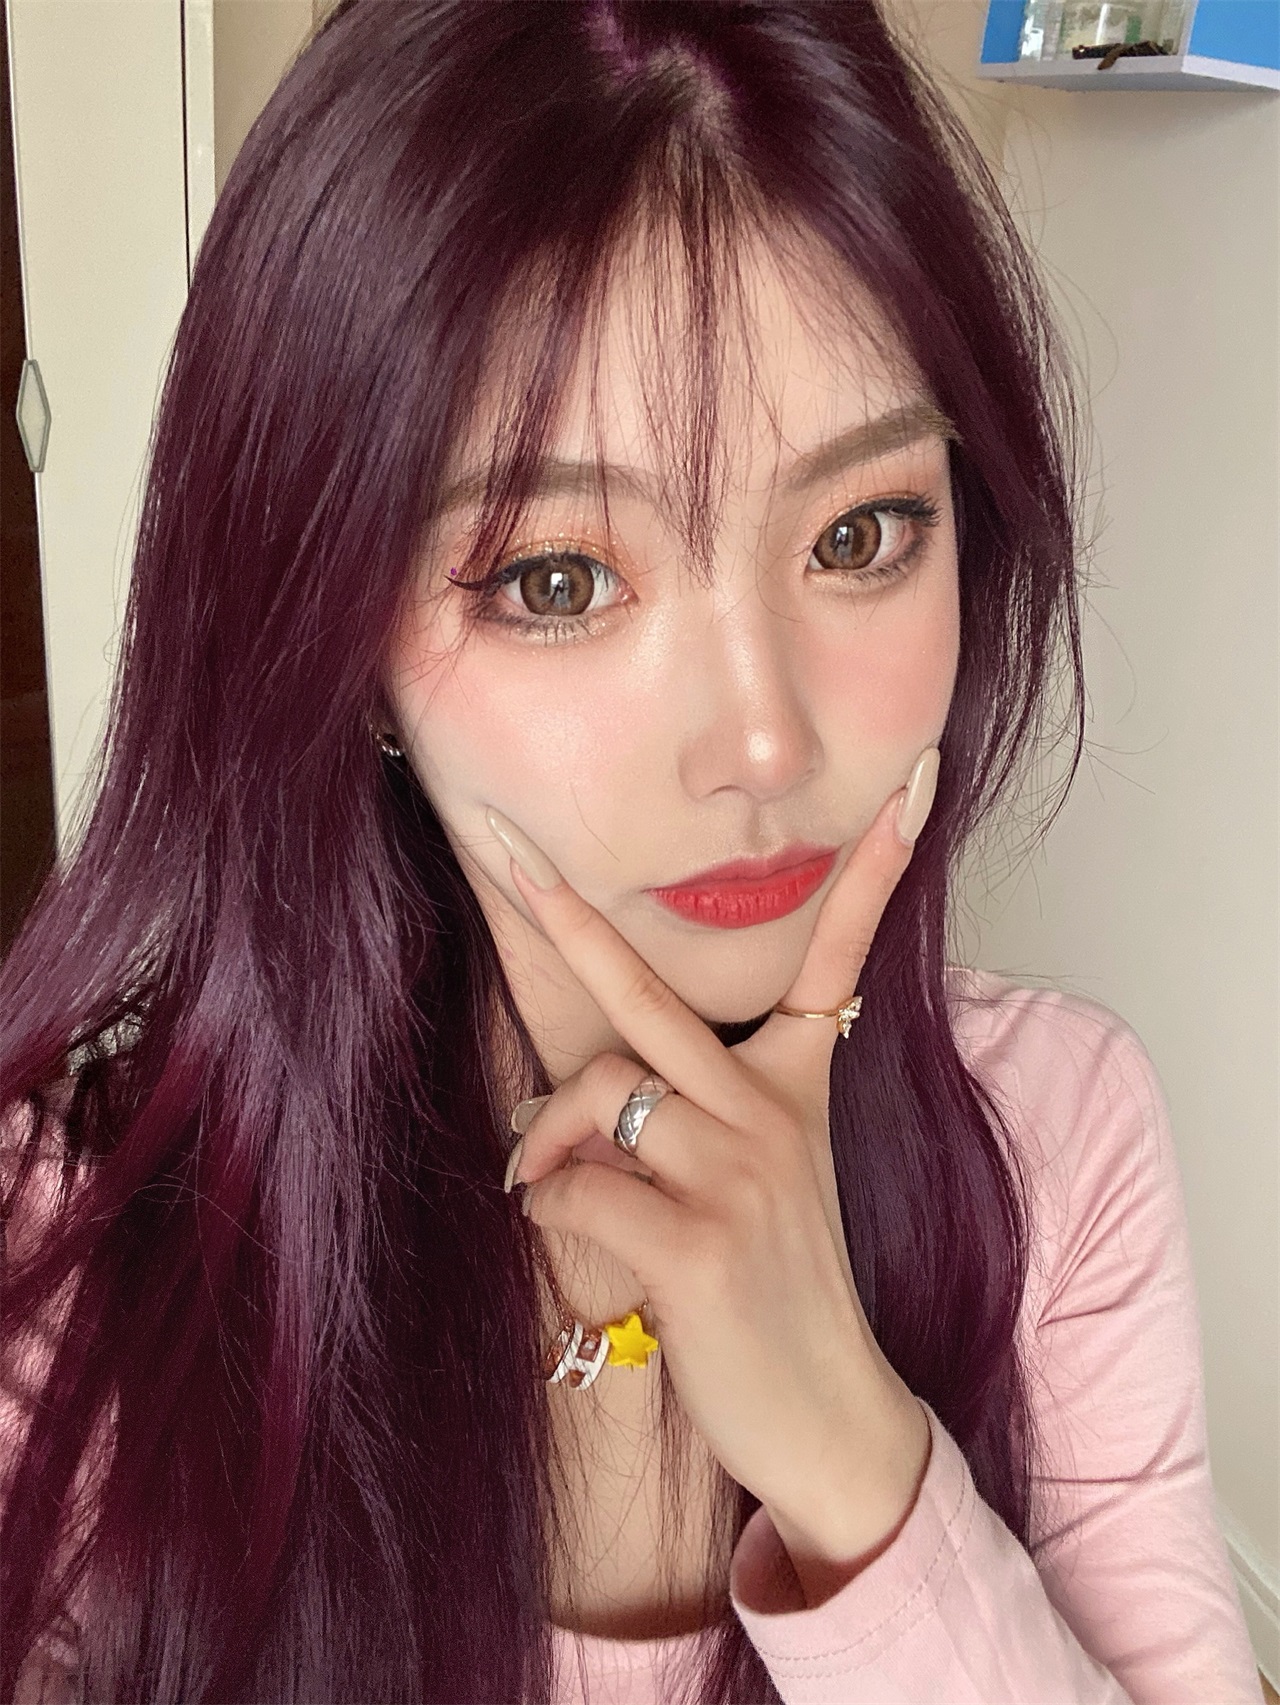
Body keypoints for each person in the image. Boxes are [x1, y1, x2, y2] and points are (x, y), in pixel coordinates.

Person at [0, 2, 1265, 1701]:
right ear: (340, 632)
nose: (765, 743)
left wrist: (860, 1471)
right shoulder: (81, 1227)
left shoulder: (1055, 1138)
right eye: (559, 578)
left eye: (860, 533)